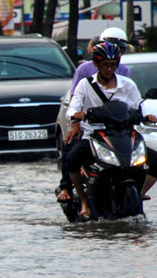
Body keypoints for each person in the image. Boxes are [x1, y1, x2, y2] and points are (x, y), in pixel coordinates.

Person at [65, 41, 157, 220]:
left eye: (113, 65)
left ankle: (140, 193)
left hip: (125, 135)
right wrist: (77, 114)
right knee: (72, 158)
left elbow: (138, 105)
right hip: (95, 135)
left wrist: (148, 115)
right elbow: (72, 109)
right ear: (96, 64)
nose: (109, 69)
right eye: (105, 65)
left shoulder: (127, 84)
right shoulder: (84, 85)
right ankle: (83, 200)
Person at [57, 27, 132, 203]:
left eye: (120, 50)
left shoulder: (125, 72)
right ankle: (67, 187)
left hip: (116, 126)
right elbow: (75, 98)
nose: (109, 67)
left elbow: (132, 101)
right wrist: (75, 124)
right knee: (70, 150)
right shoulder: (84, 71)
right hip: (89, 125)